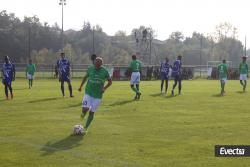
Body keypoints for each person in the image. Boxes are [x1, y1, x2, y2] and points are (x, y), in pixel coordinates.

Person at [78, 57, 112, 133]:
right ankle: (81, 117)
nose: (97, 64)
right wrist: (80, 86)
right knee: (85, 109)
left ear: (101, 64)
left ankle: (86, 128)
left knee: (92, 112)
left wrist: (104, 88)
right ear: (94, 63)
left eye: (99, 62)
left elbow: (110, 82)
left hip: (98, 96)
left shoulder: (105, 71)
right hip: (88, 93)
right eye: (96, 62)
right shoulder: (90, 68)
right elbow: (85, 77)